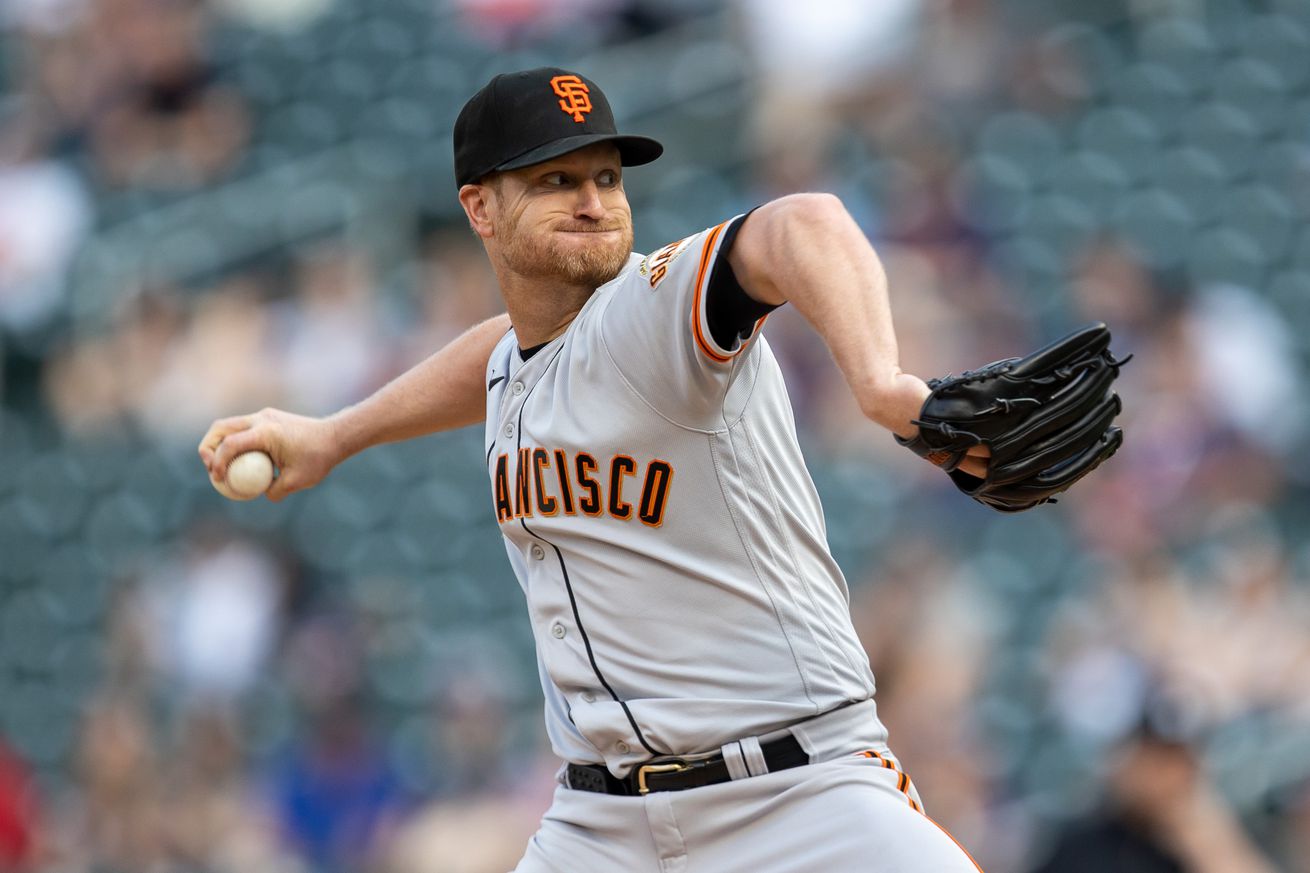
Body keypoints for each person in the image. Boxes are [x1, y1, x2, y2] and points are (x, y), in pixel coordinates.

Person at [199, 67, 989, 872]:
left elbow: (805, 224)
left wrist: (880, 381)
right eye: (556, 179)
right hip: (602, 826)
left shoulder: (653, 311)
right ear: (479, 207)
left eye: (607, 177)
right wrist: (335, 434)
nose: (594, 200)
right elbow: (503, 353)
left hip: (794, 798)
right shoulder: (524, 357)